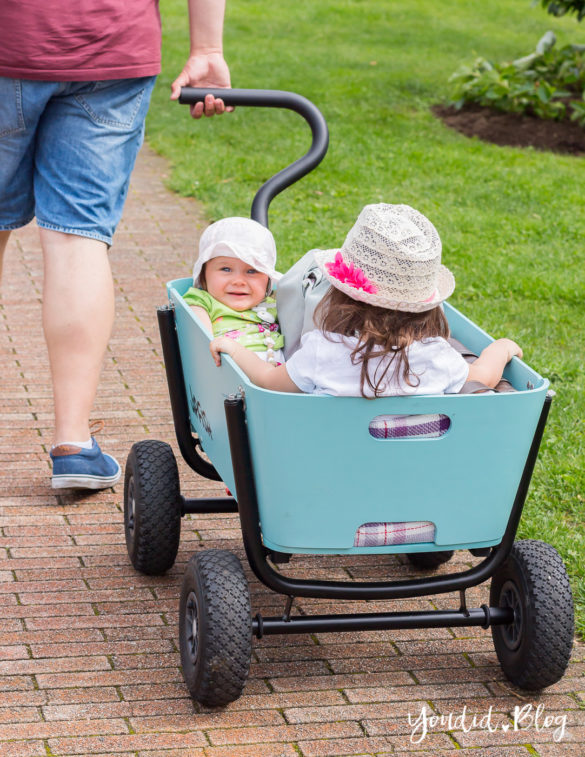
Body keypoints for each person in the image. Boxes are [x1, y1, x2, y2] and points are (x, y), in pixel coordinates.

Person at [0, 1, 231, 489]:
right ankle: (73, 443)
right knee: (76, 237)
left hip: (12, 38)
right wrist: (207, 47)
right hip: (109, 46)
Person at [209, 203, 522, 396]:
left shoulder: (323, 351)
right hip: (413, 473)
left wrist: (234, 348)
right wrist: (502, 347)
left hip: (327, 467)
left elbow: (267, 380)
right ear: (426, 309)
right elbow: (480, 375)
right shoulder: (434, 356)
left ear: (341, 298)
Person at [184, 217, 284, 364]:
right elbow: (202, 338)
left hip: (280, 373)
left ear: (268, 279)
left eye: (252, 271)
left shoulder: (274, 304)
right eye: (226, 269)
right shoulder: (202, 301)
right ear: (203, 275)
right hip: (231, 376)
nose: (238, 281)